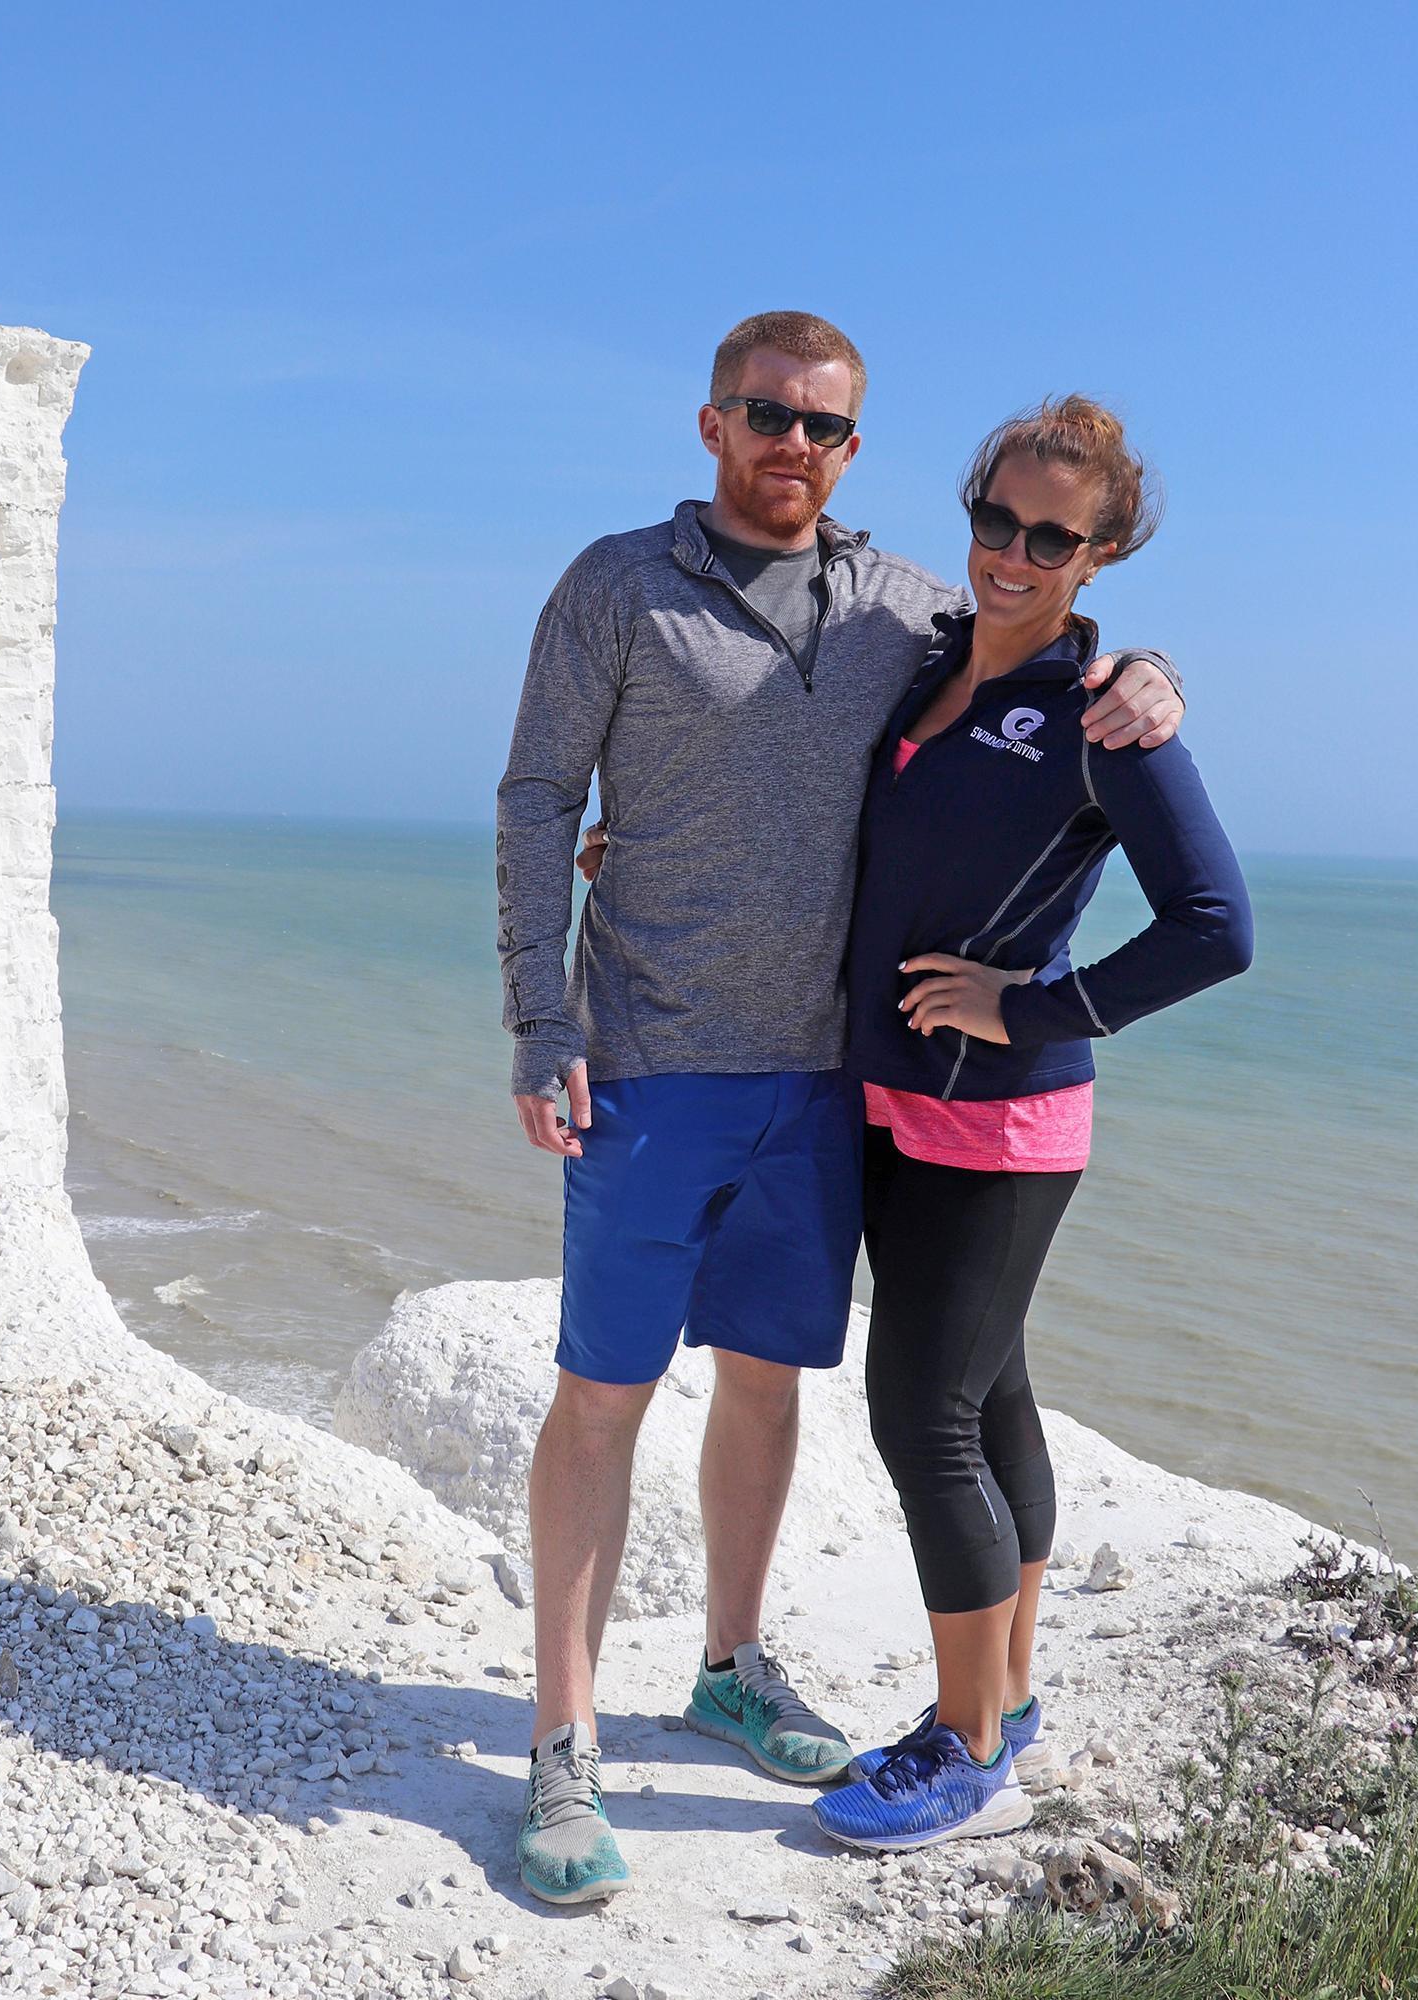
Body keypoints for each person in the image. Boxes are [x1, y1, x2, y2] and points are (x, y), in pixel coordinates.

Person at [494, 312, 1184, 1906]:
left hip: (824, 1088)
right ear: (712, 422)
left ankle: (731, 1665)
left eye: (824, 426)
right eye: (766, 415)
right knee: (602, 1393)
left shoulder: (906, 609)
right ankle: (562, 1743)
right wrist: (541, 1016)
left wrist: (1154, 671)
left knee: (767, 1384)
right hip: (647, 1063)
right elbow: (541, 796)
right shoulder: (615, 585)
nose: (793, 445)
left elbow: (1047, 628)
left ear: (855, 448)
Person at [806, 396, 1252, 1853]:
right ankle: (1007, 1689)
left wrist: (1035, 1006)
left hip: (996, 1128)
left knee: (918, 1414)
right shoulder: (931, 662)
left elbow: (1215, 927)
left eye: (1050, 536)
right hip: (891, 1101)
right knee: (992, 1399)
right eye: (994, 521)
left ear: (1101, 550)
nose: (1010, 553)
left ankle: (967, 1744)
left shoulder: (1100, 716)